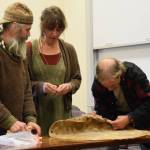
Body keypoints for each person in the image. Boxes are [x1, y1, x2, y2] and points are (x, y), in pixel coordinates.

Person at [27, 6, 81, 135]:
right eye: (50, 29)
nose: (55, 34)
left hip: (63, 115)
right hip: (37, 116)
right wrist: (42, 87)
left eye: (59, 29)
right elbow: (23, 85)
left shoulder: (68, 50)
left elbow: (77, 78)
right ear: (42, 27)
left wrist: (69, 86)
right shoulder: (29, 49)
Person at [0, 2, 41, 136]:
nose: (29, 34)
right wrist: (9, 121)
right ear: (14, 27)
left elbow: (27, 91)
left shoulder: (19, 52)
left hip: (14, 135)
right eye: (27, 29)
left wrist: (30, 119)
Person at [92, 58, 150, 150]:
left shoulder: (134, 74)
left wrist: (129, 118)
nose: (110, 90)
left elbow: (148, 102)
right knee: (110, 146)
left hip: (140, 116)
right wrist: (100, 117)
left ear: (119, 75)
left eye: (112, 86)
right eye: (106, 87)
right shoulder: (97, 85)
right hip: (114, 120)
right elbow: (101, 109)